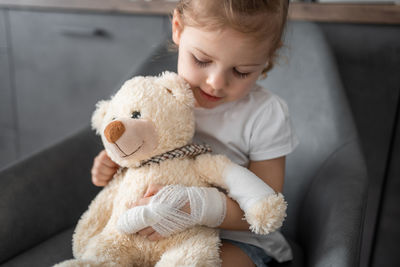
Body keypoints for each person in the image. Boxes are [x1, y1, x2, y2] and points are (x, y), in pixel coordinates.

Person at [91, 1, 298, 266]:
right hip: (155, 236)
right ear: (178, 28)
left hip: (239, 242)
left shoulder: (266, 114)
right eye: (202, 60)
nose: (216, 82)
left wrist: (198, 206)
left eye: (241, 71)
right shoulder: (159, 95)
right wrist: (111, 166)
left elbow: (265, 209)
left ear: (268, 57)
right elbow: (140, 151)